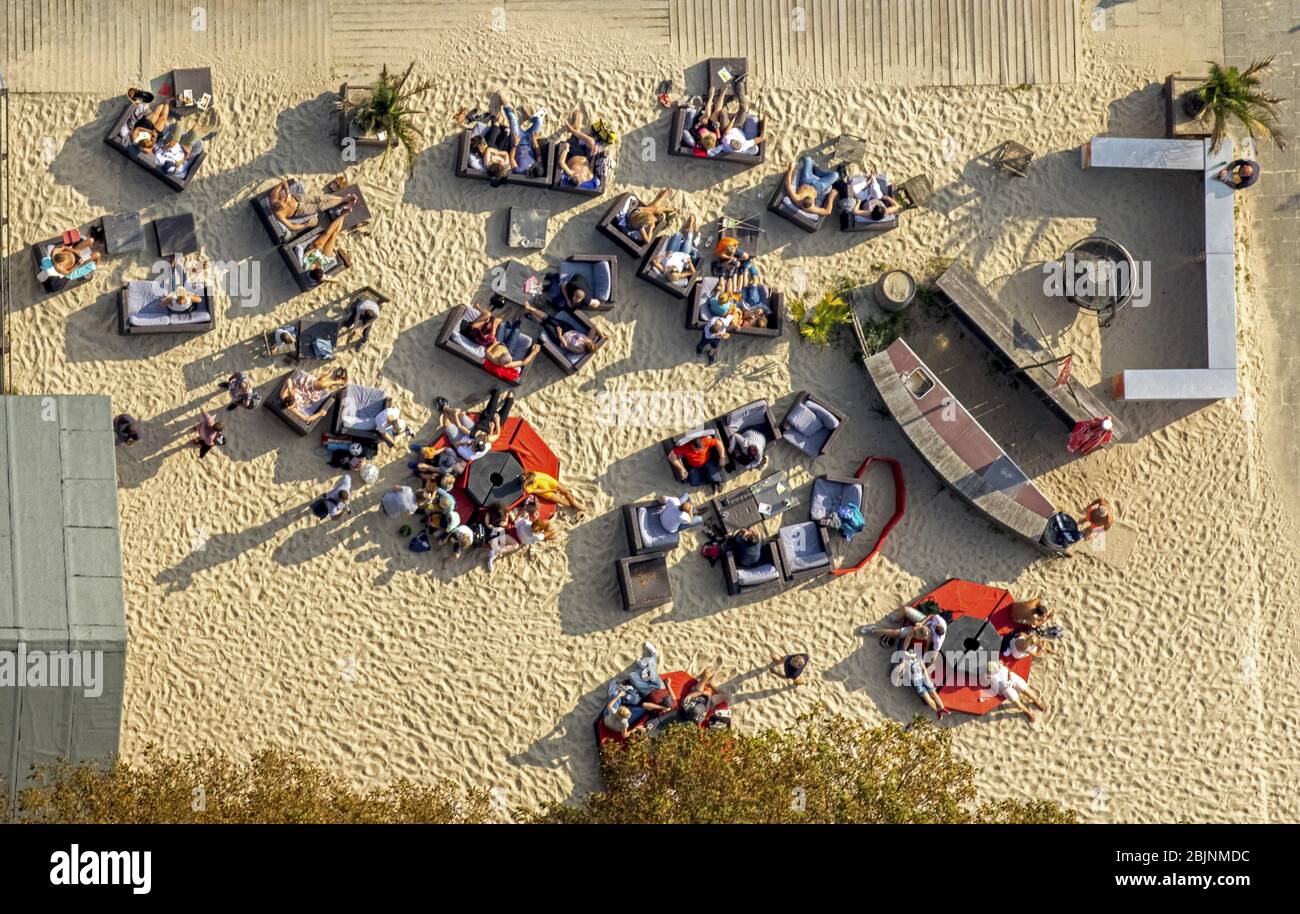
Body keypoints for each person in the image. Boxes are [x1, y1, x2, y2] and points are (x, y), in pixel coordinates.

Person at [269, 178, 357, 234]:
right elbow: (292, 227)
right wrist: (306, 224)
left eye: (282, 200)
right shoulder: (279, 214)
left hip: (298, 198)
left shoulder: (273, 196)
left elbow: (283, 182)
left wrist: (287, 192)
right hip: (300, 210)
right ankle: (344, 199)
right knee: (321, 206)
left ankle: (344, 198)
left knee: (320, 198)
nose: (283, 202)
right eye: (281, 205)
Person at [300, 204, 353, 284]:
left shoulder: (306, 266)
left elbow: (306, 254)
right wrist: (324, 279)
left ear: (313, 269)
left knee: (328, 233)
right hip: (324, 258)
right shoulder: (320, 276)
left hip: (316, 249)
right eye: (319, 267)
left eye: (317, 267)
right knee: (334, 234)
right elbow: (336, 280)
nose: (318, 266)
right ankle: (343, 214)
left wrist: (315, 249)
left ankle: (343, 213)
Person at [983, 658, 1047, 723]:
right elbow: (994, 688)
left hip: (1012, 679)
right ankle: (1028, 712)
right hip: (1005, 688)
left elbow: (1007, 668)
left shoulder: (998, 665)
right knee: (1018, 704)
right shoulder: (987, 676)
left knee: (1027, 691)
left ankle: (1036, 701)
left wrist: (1009, 675)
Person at [499, 92, 546, 177]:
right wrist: (535, 142)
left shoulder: (519, 171)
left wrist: (515, 145)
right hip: (530, 142)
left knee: (513, 119)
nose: (532, 165)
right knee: (539, 120)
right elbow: (538, 154)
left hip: (517, 142)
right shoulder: (539, 168)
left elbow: (511, 158)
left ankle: (505, 105)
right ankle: (530, 118)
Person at [895, 645, 948, 720]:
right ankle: (938, 710)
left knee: (933, 693)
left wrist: (927, 677)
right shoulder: (907, 661)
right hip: (918, 682)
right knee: (928, 697)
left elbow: (923, 668)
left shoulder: (917, 659)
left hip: (923, 677)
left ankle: (942, 708)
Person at [277, 367, 347, 424]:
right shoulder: (291, 408)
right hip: (309, 396)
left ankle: (334, 381)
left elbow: (289, 380)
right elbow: (306, 419)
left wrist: (290, 389)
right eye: (293, 403)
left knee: (321, 384)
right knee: (321, 385)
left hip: (303, 386)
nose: (294, 403)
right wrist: (319, 414)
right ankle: (337, 381)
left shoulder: (283, 395)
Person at [556, 110, 603, 190]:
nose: (578, 174)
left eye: (576, 175)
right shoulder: (589, 176)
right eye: (579, 177)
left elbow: (561, 162)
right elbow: (591, 165)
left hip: (573, 153)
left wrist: (566, 150)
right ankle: (573, 129)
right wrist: (595, 153)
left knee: (577, 129)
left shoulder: (571, 173)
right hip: (585, 154)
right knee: (591, 142)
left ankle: (574, 128)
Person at [483, 318, 541, 382]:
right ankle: (517, 322)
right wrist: (534, 352)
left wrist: (494, 344)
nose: (511, 357)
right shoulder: (508, 364)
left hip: (498, 344)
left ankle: (510, 323)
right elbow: (523, 362)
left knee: (502, 325)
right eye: (511, 357)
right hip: (509, 349)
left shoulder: (493, 358)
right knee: (516, 331)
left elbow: (487, 351)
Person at [649, 214, 701, 284]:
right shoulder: (679, 275)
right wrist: (689, 262)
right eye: (677, 270)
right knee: (689, 238)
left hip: (673, 251)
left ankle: (685, 230)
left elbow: (654, 262)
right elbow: (693, 272)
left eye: (673, 270)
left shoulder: (664, 270)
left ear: (668, 272)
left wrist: (665, 255)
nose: (675, 268)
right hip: (684, 253)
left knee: (677, 235)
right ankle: (691, 224)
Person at [37, 236, 101, 284]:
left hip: (74, 253)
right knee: (97, 255)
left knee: (91, 240)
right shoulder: (59, 268)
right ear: (59, 263)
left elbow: (64, 247)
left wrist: (74, 251)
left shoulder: (55, 251)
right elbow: (68, 273)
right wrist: (77, 265)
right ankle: (94, 268)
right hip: (77, 263)